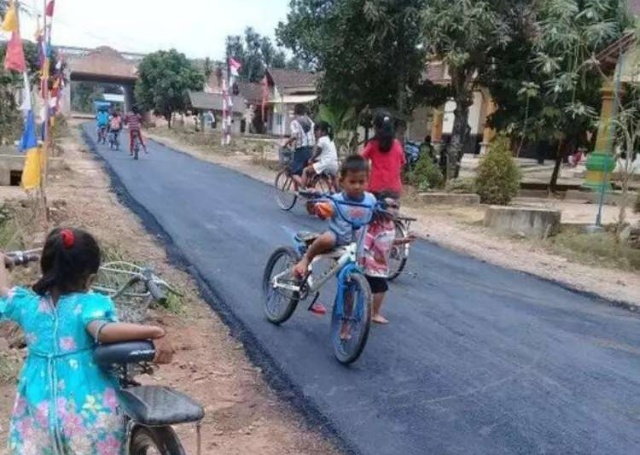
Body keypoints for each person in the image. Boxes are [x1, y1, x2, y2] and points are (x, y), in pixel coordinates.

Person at [0, 227, 173, 454]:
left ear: (45, 269)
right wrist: (153, 331)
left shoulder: (28, 307)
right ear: (90, 278)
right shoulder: (87, 305)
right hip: (86, 413)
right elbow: (103, 330)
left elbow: (3, 290)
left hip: (39, 414)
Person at [294, 155, 376, 315]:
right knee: (328, 237)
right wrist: (314, 205)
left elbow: (379, 211)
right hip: (337, 239)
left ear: (368, 181)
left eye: (362, 182)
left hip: (355, 250)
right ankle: (306, 259)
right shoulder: (336, 201)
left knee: (349, 288)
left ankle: (346, 323)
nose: (357, 186)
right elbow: (320, 210)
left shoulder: (371, 200)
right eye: (352, 182)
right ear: (342, 182)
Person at [362, 193, 415, 325]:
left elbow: (389, 241)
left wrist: (404, 240)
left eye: (396, 207)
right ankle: (374, 313)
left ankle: (368, 310)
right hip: (372, 263)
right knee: (381, 288)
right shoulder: (375, 225)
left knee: (371, 288)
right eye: (390, 206)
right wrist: (363, 258)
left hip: (381, 264)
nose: (394, 210)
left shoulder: (390, 225)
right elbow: (366, 243)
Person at [361, 111, 406, 199]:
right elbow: (402, 163)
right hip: (394, 189)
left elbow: (359, 159)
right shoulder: (397, 144)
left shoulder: (372, 144)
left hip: (375, 188)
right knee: (392, 212)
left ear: (375, 127)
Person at [300, 121, 339, 190]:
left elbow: (317, 152)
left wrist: (311, 159)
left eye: (316, 131)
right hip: (334, 165)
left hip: (325, 164)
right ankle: (338, 192)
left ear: (323, 132)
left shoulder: (322, 139)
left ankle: (302, 190)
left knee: (305, 170)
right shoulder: (330, 140)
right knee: (334, 178)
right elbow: (326, 154)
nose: (315, 133)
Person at [284, 104, 315, 187]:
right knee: (305, 171)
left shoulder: (295, 122)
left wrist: (286, 143)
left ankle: (303, 187)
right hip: (311, 149)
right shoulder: (311, 121)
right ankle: (299, 189)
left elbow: (294, 136)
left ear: (295, 112)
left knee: (294, 173)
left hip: (301, 150)